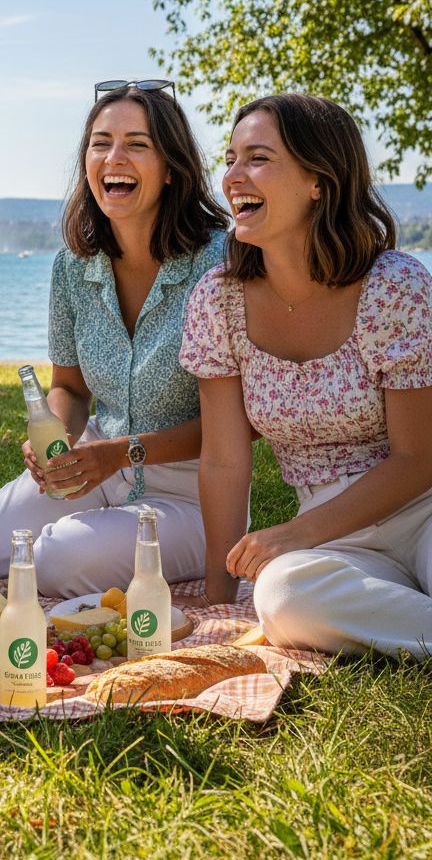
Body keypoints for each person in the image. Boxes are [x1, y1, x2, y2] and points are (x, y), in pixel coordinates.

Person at [0, 80, 229, 597]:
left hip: (193, 492)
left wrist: (120, 454)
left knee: (56, 561)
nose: (115, 157)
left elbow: (236, 426)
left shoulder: (219, 263)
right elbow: (69, 386)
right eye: (101, 142)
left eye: (137, 144)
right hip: (93, 469)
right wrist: (56, 437)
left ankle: (94, 541)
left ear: (172, 168)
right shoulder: (73, 265)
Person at [180, 94, 432, 657]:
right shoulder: (217, 301)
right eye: (231, 157)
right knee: (283, 596)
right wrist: (221, 597)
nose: (232, 177)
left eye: (258, 159)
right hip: (334, 536)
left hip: (422, 507)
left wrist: (294, 534)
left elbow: (418, 459)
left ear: (318, 180)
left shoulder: (394, 286)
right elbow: (224, 459)